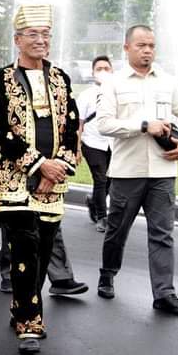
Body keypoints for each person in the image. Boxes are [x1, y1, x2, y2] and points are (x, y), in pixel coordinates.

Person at [0, 4, 80, 355]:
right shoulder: (3, 79)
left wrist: (58, 168)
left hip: (53, 179)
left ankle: (22, 306)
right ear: (17, 40)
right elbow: (0, 131)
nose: (41, 41)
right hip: (12, 178)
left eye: (46, 34)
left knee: (41, 250)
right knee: (24, 246)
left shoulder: (60, 78)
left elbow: (72, 129)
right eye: (33, 34)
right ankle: (30, 322)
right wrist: (38, 166)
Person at [96, 24, 178, 316]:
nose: (148, 51)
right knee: (116, 230)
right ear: (127, 48)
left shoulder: (168, 82)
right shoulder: (113, 83)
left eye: (152, 46)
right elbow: (104, 124)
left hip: (163, 171)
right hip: (127, 171)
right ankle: (108, 272)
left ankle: (164, 293)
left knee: (163, 234)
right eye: (141, 45)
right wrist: (142, 126)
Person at [77, 55, 114, 232]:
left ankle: (93, 201)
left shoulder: (117, 93)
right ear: (93, 73)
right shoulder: (85, 95)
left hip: (112, 142)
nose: (103, 72)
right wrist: (76, 148)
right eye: (99, 69)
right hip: (91, 142)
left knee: (111, 179)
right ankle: (102, 217)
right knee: (101, 179)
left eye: (106, 68)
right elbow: (79, 123)